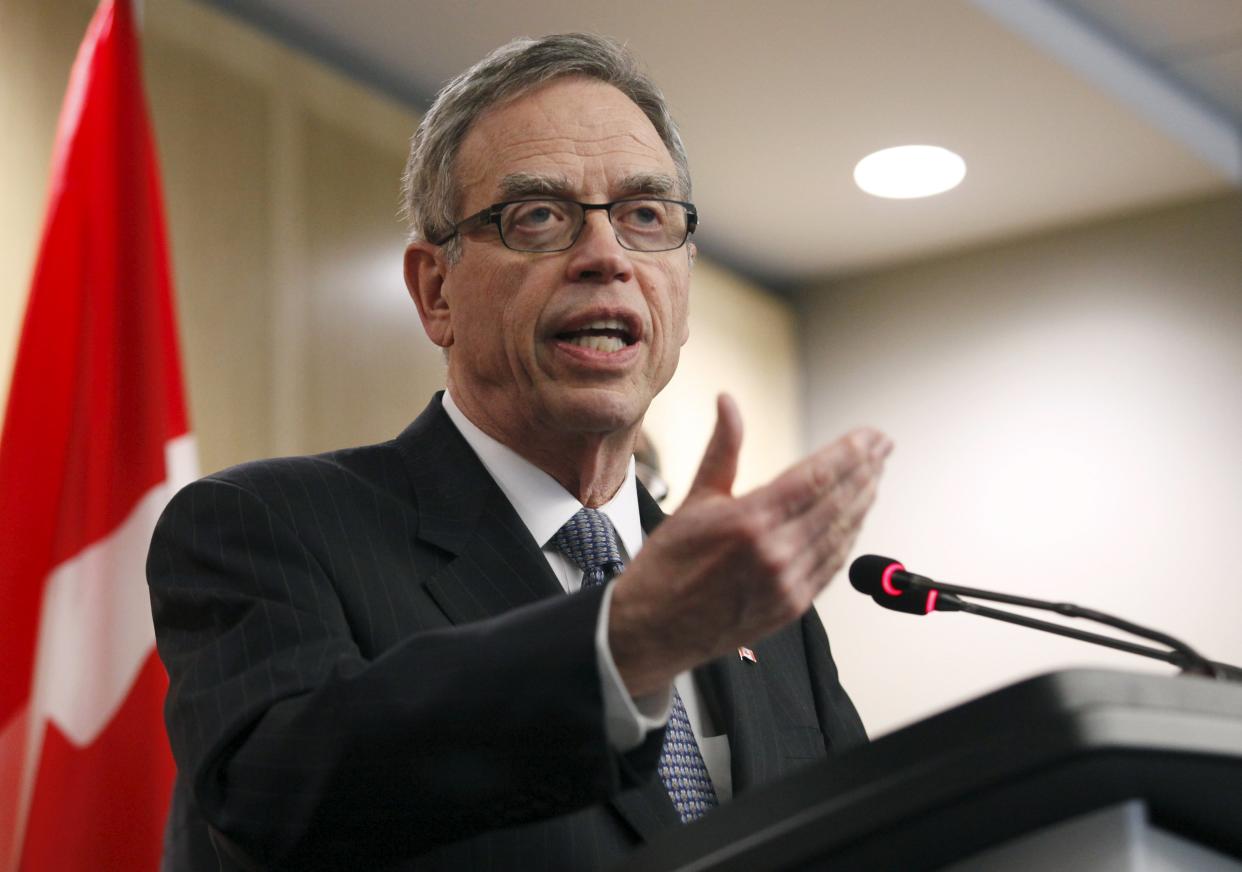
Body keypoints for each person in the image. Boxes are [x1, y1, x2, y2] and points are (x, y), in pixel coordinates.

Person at [147, 33, 892, 872]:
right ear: (437, 292)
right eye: (539, 216)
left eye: (645, 215)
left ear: (682, 287)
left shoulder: (758, 608)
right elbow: (274, 796)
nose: (607, 257)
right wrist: (625, 644)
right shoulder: (268, 528)